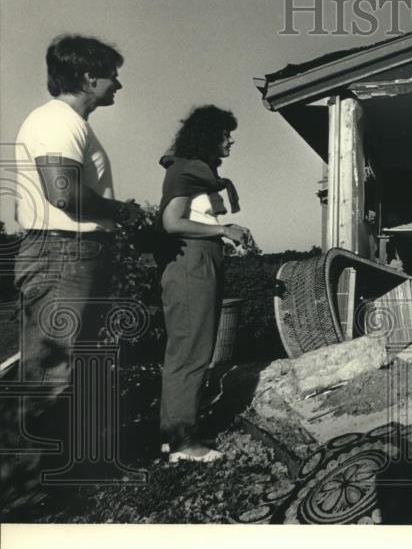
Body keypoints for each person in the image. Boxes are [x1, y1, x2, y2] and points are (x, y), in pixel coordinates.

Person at [4, 35, 141, 500]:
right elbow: (61, 192)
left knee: (73, 368)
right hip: (61, 253)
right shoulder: (55, 120)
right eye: (111, 74)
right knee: (49, 375)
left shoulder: (72, 123)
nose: (118, 83)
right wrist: (121, 211)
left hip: (75, 252)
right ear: (88, 77)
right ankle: (26, 494)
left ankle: (64, 478)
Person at [156, 106, 250, 463]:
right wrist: (223, 229)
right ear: (207, 136)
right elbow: (171, 221)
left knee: (187, 351)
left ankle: (173, 439)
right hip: (191, 263)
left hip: (199, 258)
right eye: (225, 134)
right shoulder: (186, 169)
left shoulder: (198, 172)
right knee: (192, 353)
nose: (230, 140)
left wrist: (224, 234)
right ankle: (183, 443)